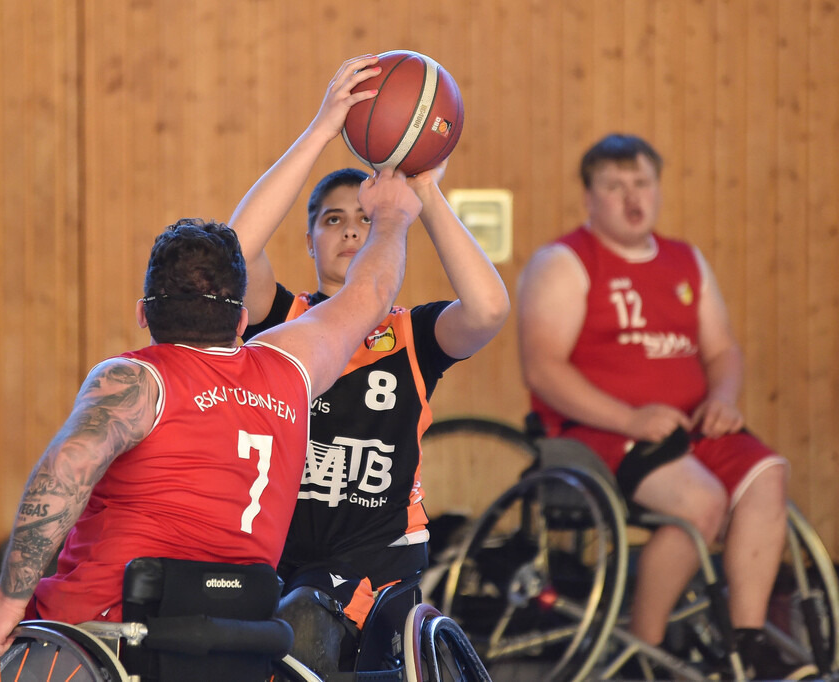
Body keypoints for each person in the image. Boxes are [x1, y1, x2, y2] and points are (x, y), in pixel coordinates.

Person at [0, 167, 423, 663]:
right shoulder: (291, 369)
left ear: (143, 313)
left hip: (102, 639)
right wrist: (393, 216)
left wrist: (6, 603)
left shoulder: (134, 380)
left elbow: (66, 468)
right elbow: (372, 292)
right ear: (241, 319)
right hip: (236, 642)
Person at [228, 54, 510, 672]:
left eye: (365, 217)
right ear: (309, 241)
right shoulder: (283, 319)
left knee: (305, 624)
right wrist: (321, 130)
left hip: (375, 564)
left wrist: (423, 192)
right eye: (333, 220)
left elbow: (489, 309)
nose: (353, 231)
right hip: (275, 552)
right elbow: (236, 249)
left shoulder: (411, 334)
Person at [517, 133, 803, 680]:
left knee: (768, 474)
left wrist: (723, 399)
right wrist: (629, 418)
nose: (632, 197)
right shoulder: (565, 261)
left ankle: (744, 645)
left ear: (658, 189)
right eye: (615, 186)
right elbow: (543, 369)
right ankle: (643, 653)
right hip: (599, 429)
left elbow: (722, 351)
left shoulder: (685, 260)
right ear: (589, 198)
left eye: (642, 183)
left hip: (690, 425)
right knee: (701, 503)